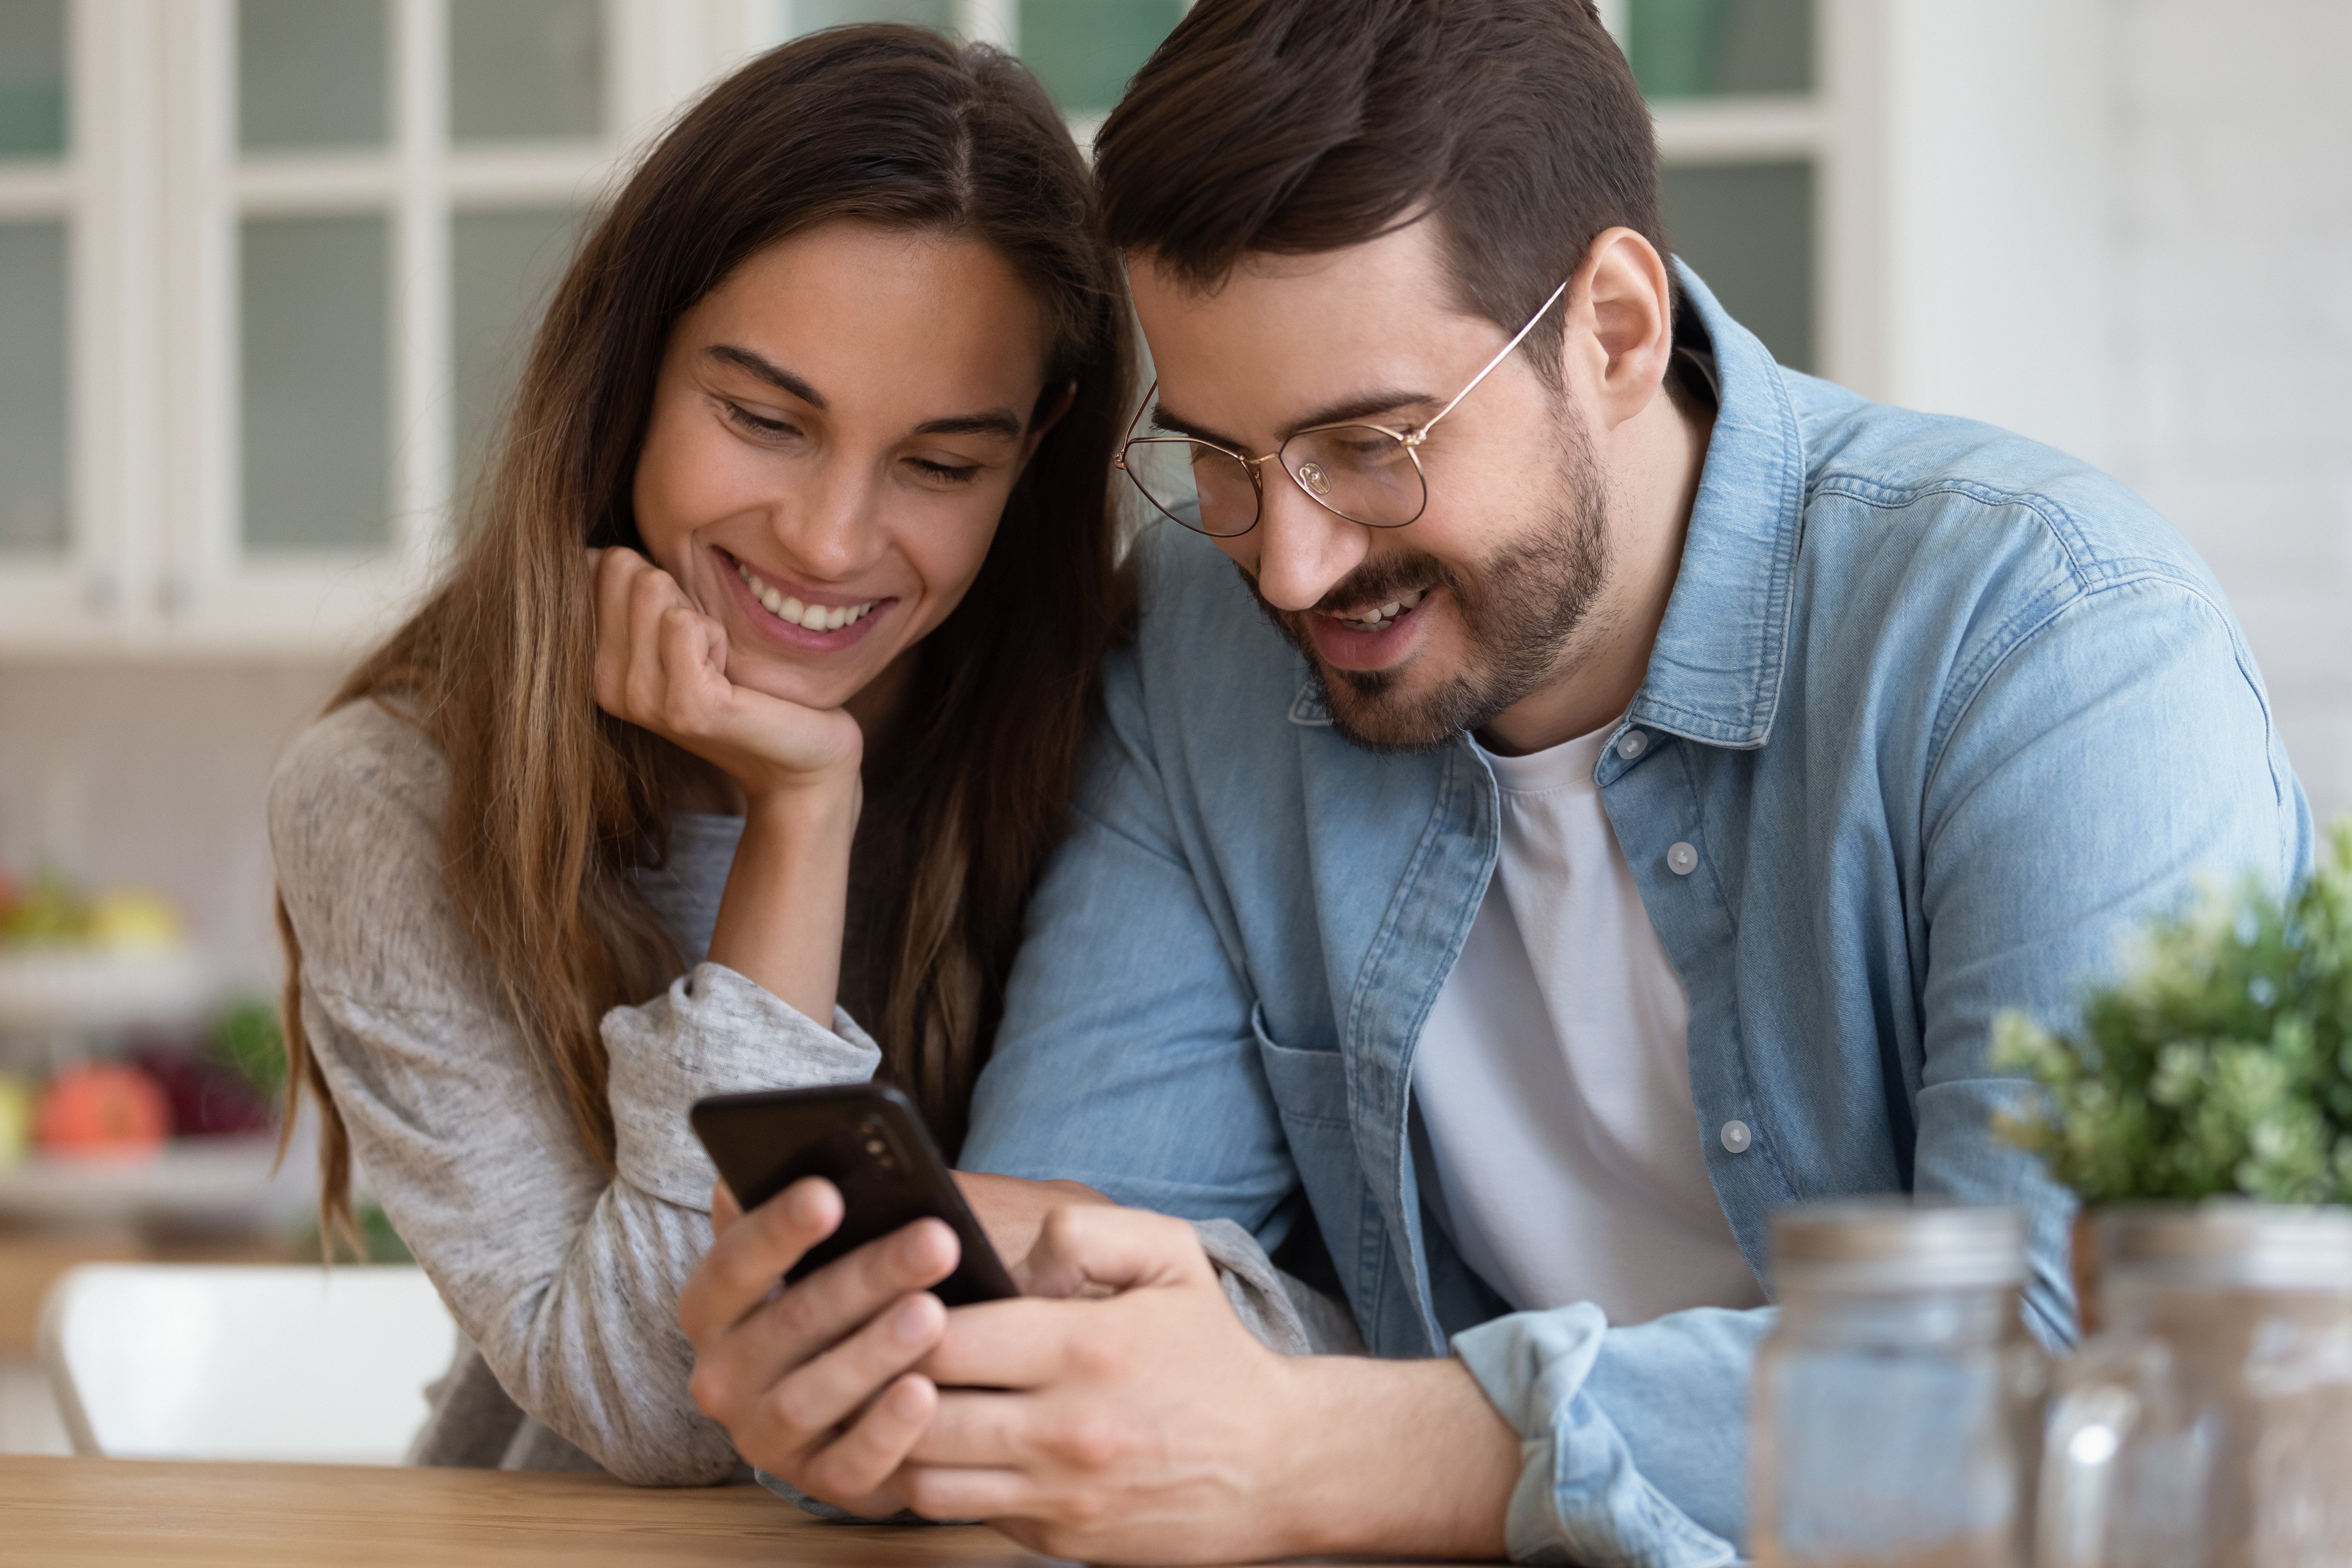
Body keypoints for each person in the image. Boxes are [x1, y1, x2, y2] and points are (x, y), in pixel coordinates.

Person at [677, 0, 2316, 1560]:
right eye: (1224, 463)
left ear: (1613, 328)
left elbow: (2075, 1374)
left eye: (1371, 446)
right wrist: (910, 1361)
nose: (1295, 565)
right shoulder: (1201, 646)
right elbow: (1105, 1251)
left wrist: (1321, 1449)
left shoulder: (2046, 639)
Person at [266, 26, 1131, 1481]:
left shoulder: (1116, 729)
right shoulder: (387, 797)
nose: (831, 539)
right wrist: (799, 812)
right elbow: (662, 1408)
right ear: (631, 369)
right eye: (761, 418)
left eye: (940, 464)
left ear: (1036, 446)